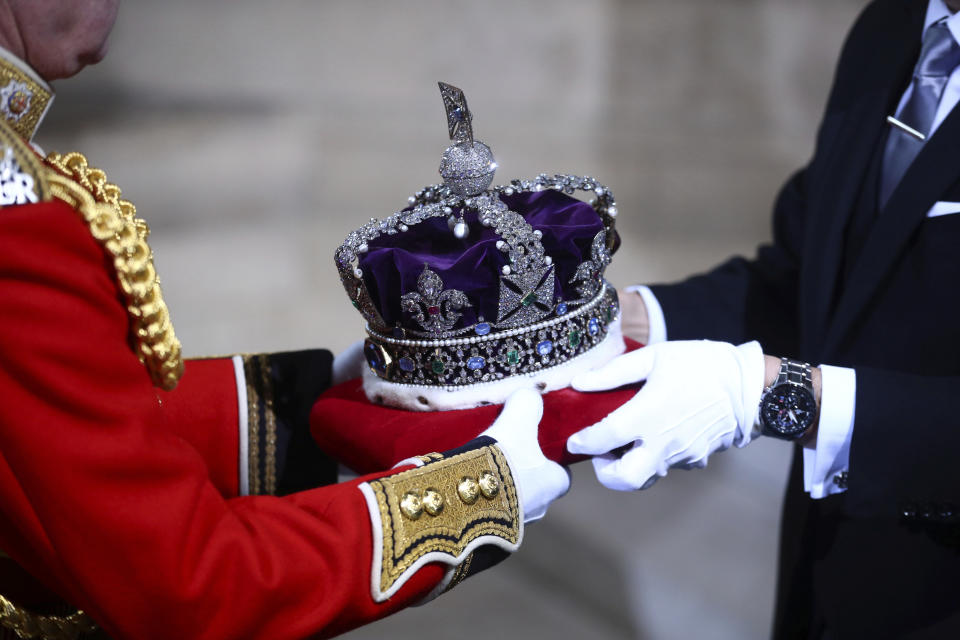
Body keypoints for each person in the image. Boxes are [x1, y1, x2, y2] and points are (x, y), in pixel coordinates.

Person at [0, 2, 570, 639]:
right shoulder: (13, 229)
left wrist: (322, 400)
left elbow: (63, 425)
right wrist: (478, 496)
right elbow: (192, 591)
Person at [567, 0, 960, 636]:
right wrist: (615, 320)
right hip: (826, 572)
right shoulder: (891, 25)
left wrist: (769, 394)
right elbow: (809, 279)